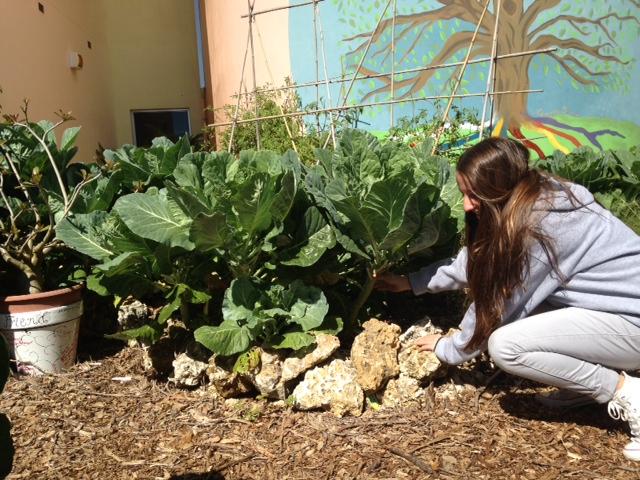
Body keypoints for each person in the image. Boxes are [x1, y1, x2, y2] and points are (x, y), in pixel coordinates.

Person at [375, 137, 640, 461]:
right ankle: (583, 386)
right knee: (533, 313)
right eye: (464, 193)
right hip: (619, 311)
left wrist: (448, 348)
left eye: (473, 195)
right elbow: (482, 259)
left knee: (505, 346)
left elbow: (496, 308)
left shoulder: (539, 231)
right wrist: (412, 282)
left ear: (498, 188)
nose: (467, 205)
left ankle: (626, 392)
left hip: (633, 323)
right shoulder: (536, 195)